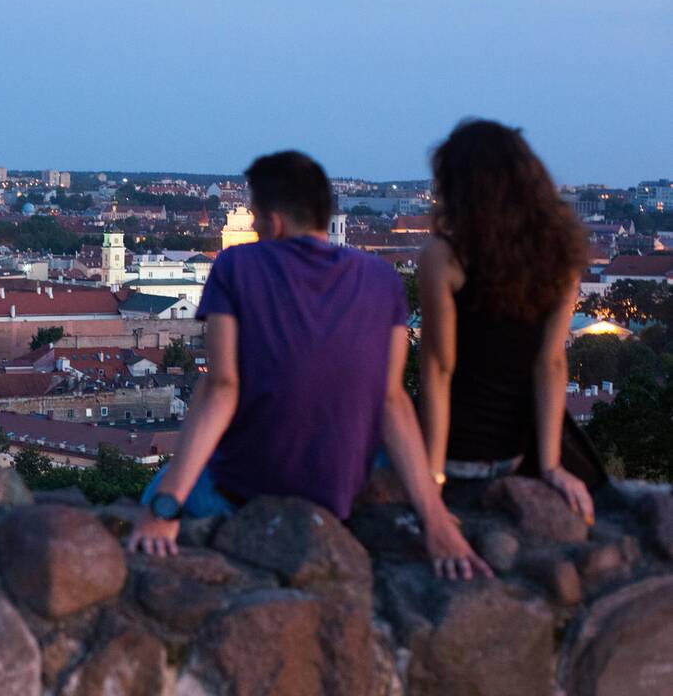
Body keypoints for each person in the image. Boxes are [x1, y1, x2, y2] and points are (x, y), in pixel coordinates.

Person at [128, 151, 491, 580]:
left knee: (151, 493)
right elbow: (391, 402)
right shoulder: (383, 279)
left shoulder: (236, 266)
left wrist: (165, 505)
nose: (257, 231)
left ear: (275, 221)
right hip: (339, 490)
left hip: (250, 485)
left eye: (257, 221)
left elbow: (222, 388)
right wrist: (436, 518)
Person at [419, 119, 595, 524]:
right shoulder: (561, 257)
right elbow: (550, 364)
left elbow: (440, 368)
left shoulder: (445, 256)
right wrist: (551, 466)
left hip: (454, 451)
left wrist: (432, 477)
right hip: (513, 453)